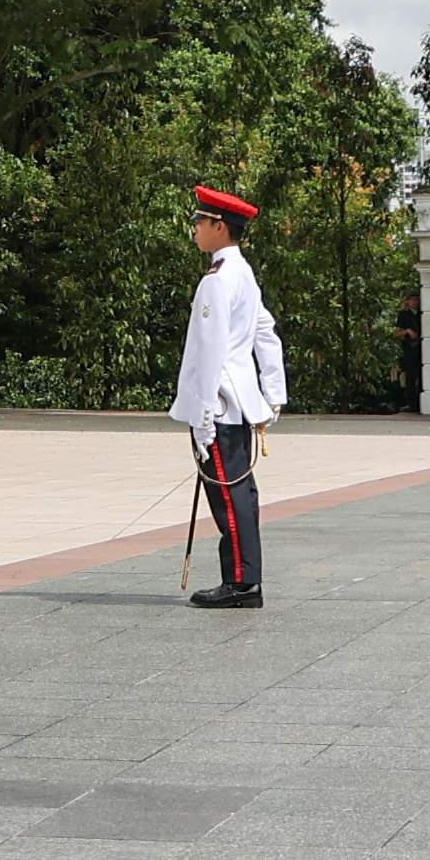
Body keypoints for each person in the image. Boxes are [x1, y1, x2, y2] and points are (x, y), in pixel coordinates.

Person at [173, 185, 283, 608]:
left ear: (219, 226)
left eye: (200, 222)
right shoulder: (242, 272)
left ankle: (240, 583)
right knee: (239, 491)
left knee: (230, 492)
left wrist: (202, 416)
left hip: (218, 401)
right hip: (236, 399)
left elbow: (210, 352)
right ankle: (242, 579)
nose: (195, 230)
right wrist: (272, 393)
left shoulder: (218, 281)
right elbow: (265, 333)